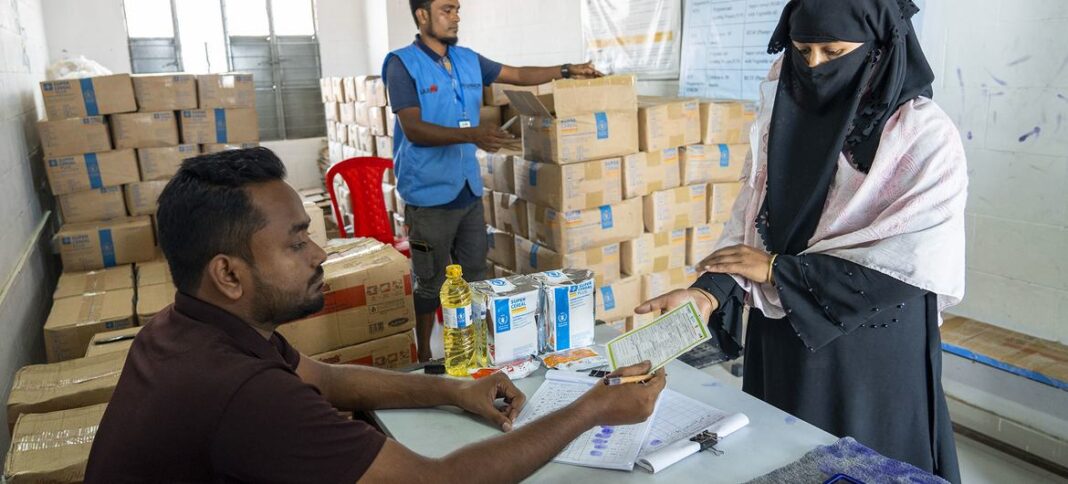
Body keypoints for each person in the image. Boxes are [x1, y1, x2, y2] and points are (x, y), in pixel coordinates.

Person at [84, 148, 666, 482]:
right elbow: (436, 483)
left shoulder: (185, 326)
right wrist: (593, 408)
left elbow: (326, 378)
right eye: (295, 244)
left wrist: (452, 391)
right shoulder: (243, 393)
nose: (319, 255)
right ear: (228, 274)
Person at [638, 0, 965, 481]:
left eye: (834, 51)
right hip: (784, 330)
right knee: (783, 453)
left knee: (865, 464)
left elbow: (913, 261)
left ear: (877, 49)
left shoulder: (922, 136)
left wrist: (775, 271)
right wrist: (708, 292)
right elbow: (751, 219)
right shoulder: (784, 120)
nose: (814, 67)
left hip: (869, 346)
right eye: (802, 50)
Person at [385, 0, 604, 361]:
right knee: (430, 282)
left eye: (457, 9)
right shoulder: (402, 64)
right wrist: (473, 135)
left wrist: (567, 69)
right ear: (422, 15)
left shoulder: (468, 59)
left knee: (475, 276)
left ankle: (474, 349)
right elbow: (414, 128)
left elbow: (518, 74)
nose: (456, 16)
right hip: (427, 195)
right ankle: (423, 353)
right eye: (446, 9)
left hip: (467, 191)